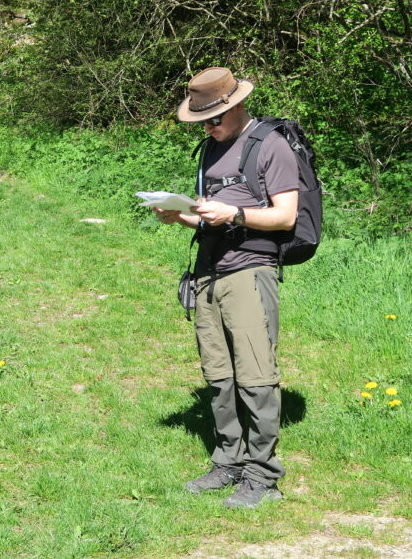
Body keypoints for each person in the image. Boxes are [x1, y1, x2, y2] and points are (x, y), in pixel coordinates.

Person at [154, 66, 299, 509]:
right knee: (218, 374)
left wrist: (234, 215)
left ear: (236, 107)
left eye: (215, 119)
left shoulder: (271, 146)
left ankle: (263, 476)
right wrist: (180, 216)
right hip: (207, 273)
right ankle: (229, 461)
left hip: (250, 271)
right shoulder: (208, 152)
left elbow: (285, 216)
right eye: (203, 122)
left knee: (255, 377)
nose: (210, 127)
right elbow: (208, 213)